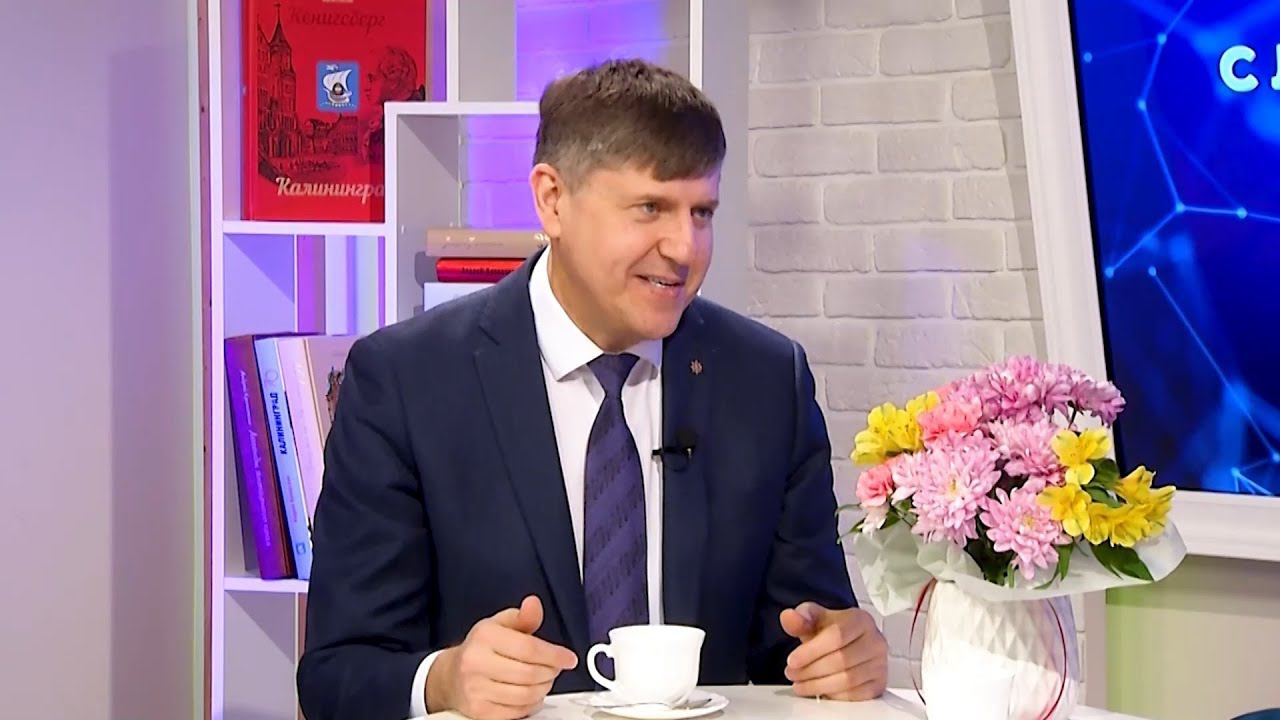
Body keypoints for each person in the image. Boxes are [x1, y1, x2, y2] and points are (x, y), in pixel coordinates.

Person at [296, 58, 888, 720]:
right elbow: (336, 673)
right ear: (552, 199)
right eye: (651, 208)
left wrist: (843, 654)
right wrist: (443, 680)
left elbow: (801, 639)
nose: (684, 247)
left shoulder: (766, 381)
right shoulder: (407, 381)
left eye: (702, 212)